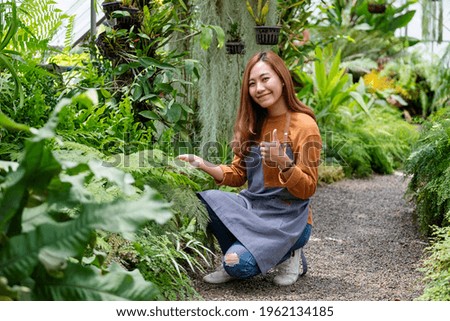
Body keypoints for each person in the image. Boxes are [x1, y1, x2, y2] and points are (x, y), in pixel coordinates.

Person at [177, 51, 321, 286]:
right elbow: (237, 175)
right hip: (253, 210)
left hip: (289, 219)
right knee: (207, 200)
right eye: (252, 83)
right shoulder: (252, 124)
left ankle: (289, 252)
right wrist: (201, 164)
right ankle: (235, 253)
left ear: (282, 79)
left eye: (265, 79)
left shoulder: (305, 125)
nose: (259, 88)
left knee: (238, 266)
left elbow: (307, 189)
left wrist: (284, 163)